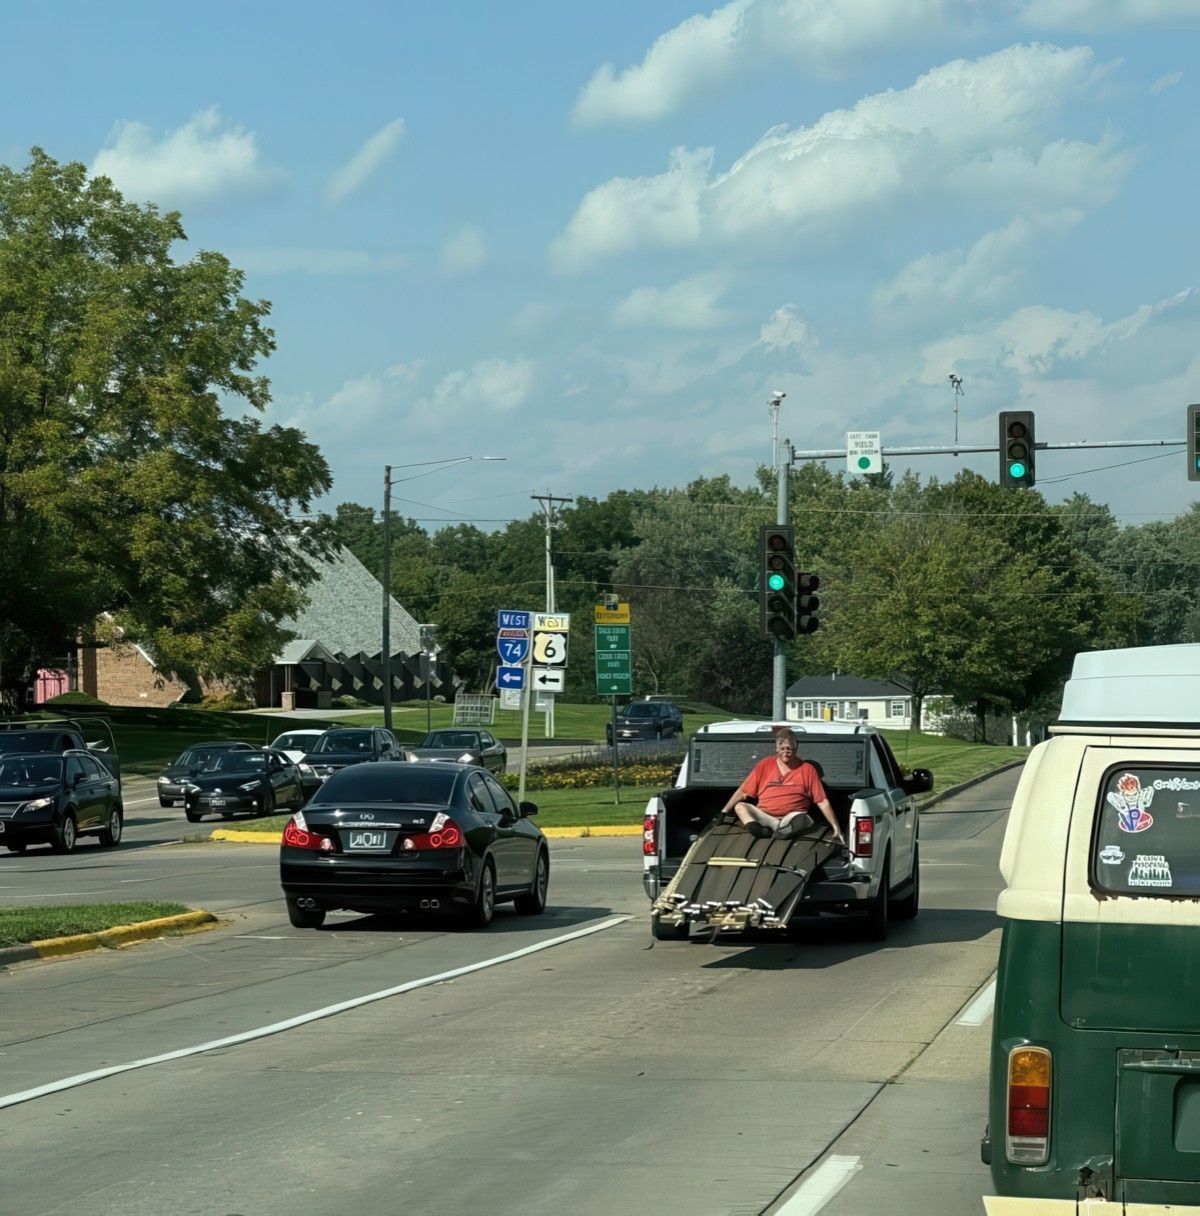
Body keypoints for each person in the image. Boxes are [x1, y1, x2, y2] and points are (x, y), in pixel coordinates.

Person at [719, 725, 845, 843]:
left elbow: (822, 802)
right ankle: (759, 831)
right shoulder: (764, 765)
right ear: (776, 748)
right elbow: (743, 791)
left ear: (796, 748)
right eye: (782, 749)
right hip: (765, 817)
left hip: (792, 818)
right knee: (741, 807)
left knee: (805, 819)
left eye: (789, 749)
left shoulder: (807, 769)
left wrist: (836, 829)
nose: (785, 752)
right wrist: (724, 812)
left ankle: (780, 832)